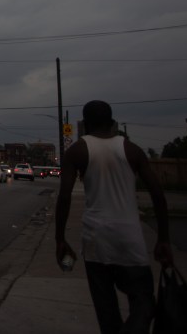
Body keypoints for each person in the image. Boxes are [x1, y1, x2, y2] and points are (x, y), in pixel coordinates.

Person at [55, 100, 173, 334]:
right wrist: (163, 238)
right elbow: (158, 196)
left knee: (106, 310)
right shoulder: (131, 150)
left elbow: (64, 197)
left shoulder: (77, 150)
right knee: (144, 301)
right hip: (130, 240)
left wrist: (60, 238)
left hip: (96, 241)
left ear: (85, 124)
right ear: (112, 123)